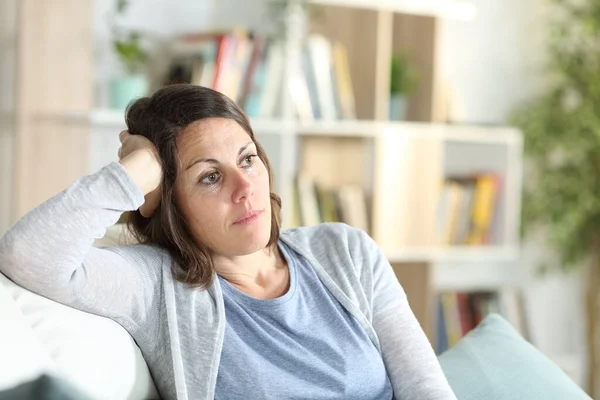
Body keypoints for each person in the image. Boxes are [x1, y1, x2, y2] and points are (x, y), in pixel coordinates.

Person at [0, 85, 456, 400]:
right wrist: (135, 172)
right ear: (166, 200)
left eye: (248, 159)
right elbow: (27, 254)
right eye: (210, 176)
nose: (244, 187)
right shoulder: (157, 284)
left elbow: (427, 390)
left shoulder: (345, 251)